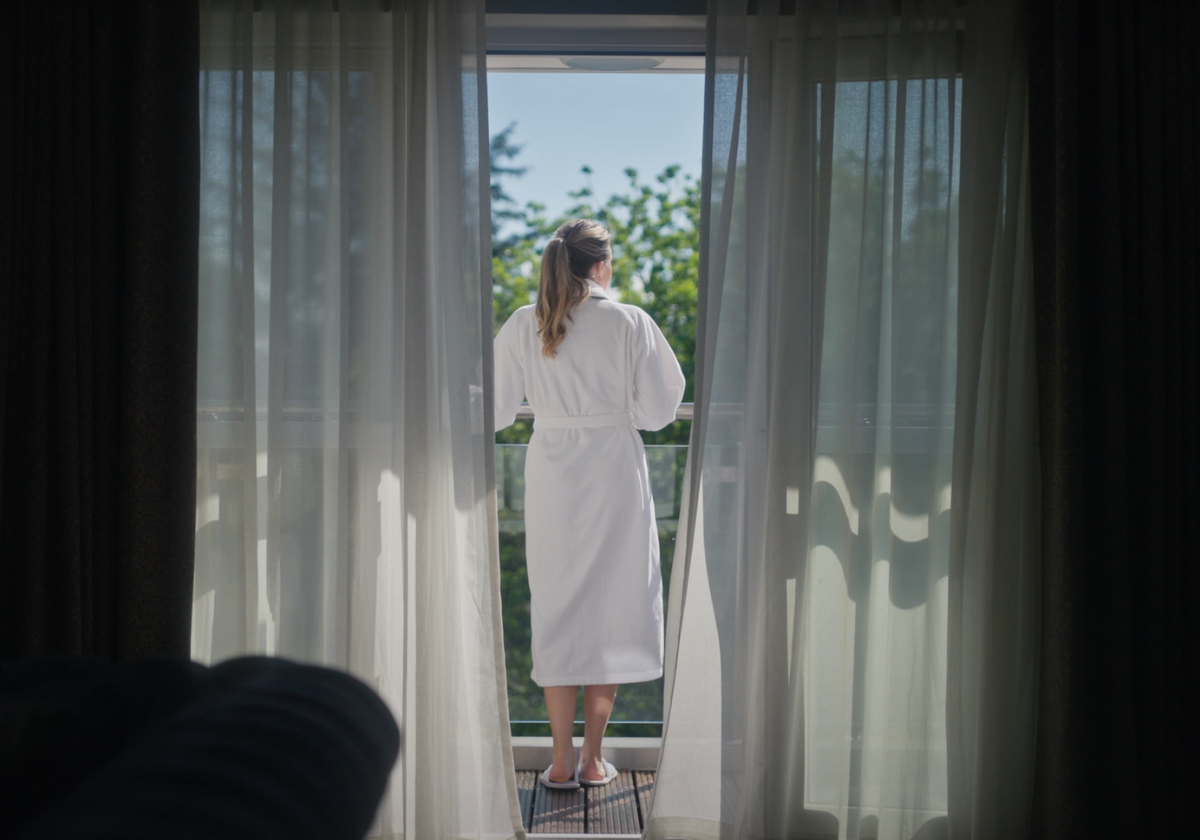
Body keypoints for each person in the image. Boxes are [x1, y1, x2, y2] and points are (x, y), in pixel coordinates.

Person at [494, 219, 685, 789]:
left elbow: (495, 407)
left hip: (552, 471)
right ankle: (593, 758)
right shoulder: (630, 322)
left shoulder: (525, 323)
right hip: (613, 473)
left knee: (558, 604)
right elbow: (657, 414)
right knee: (610, 602)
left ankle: (557, 759)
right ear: (601, 264)